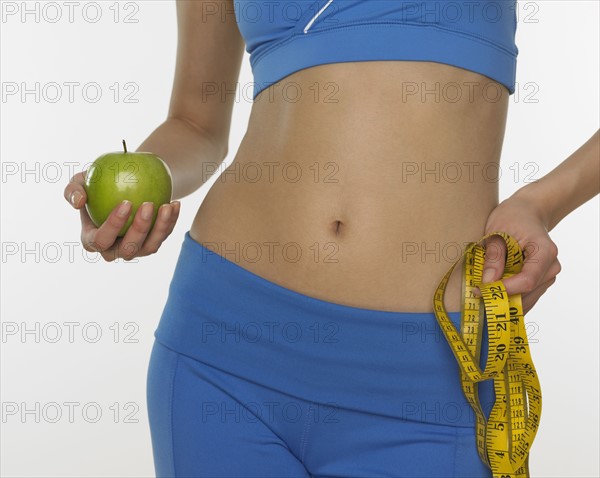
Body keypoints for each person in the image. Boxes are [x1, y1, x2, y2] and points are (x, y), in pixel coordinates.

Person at [63, 1, 599, 476]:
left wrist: (541, 203)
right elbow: (195, 125)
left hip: (427, 377)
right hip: (224, 349)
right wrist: (141, 188)